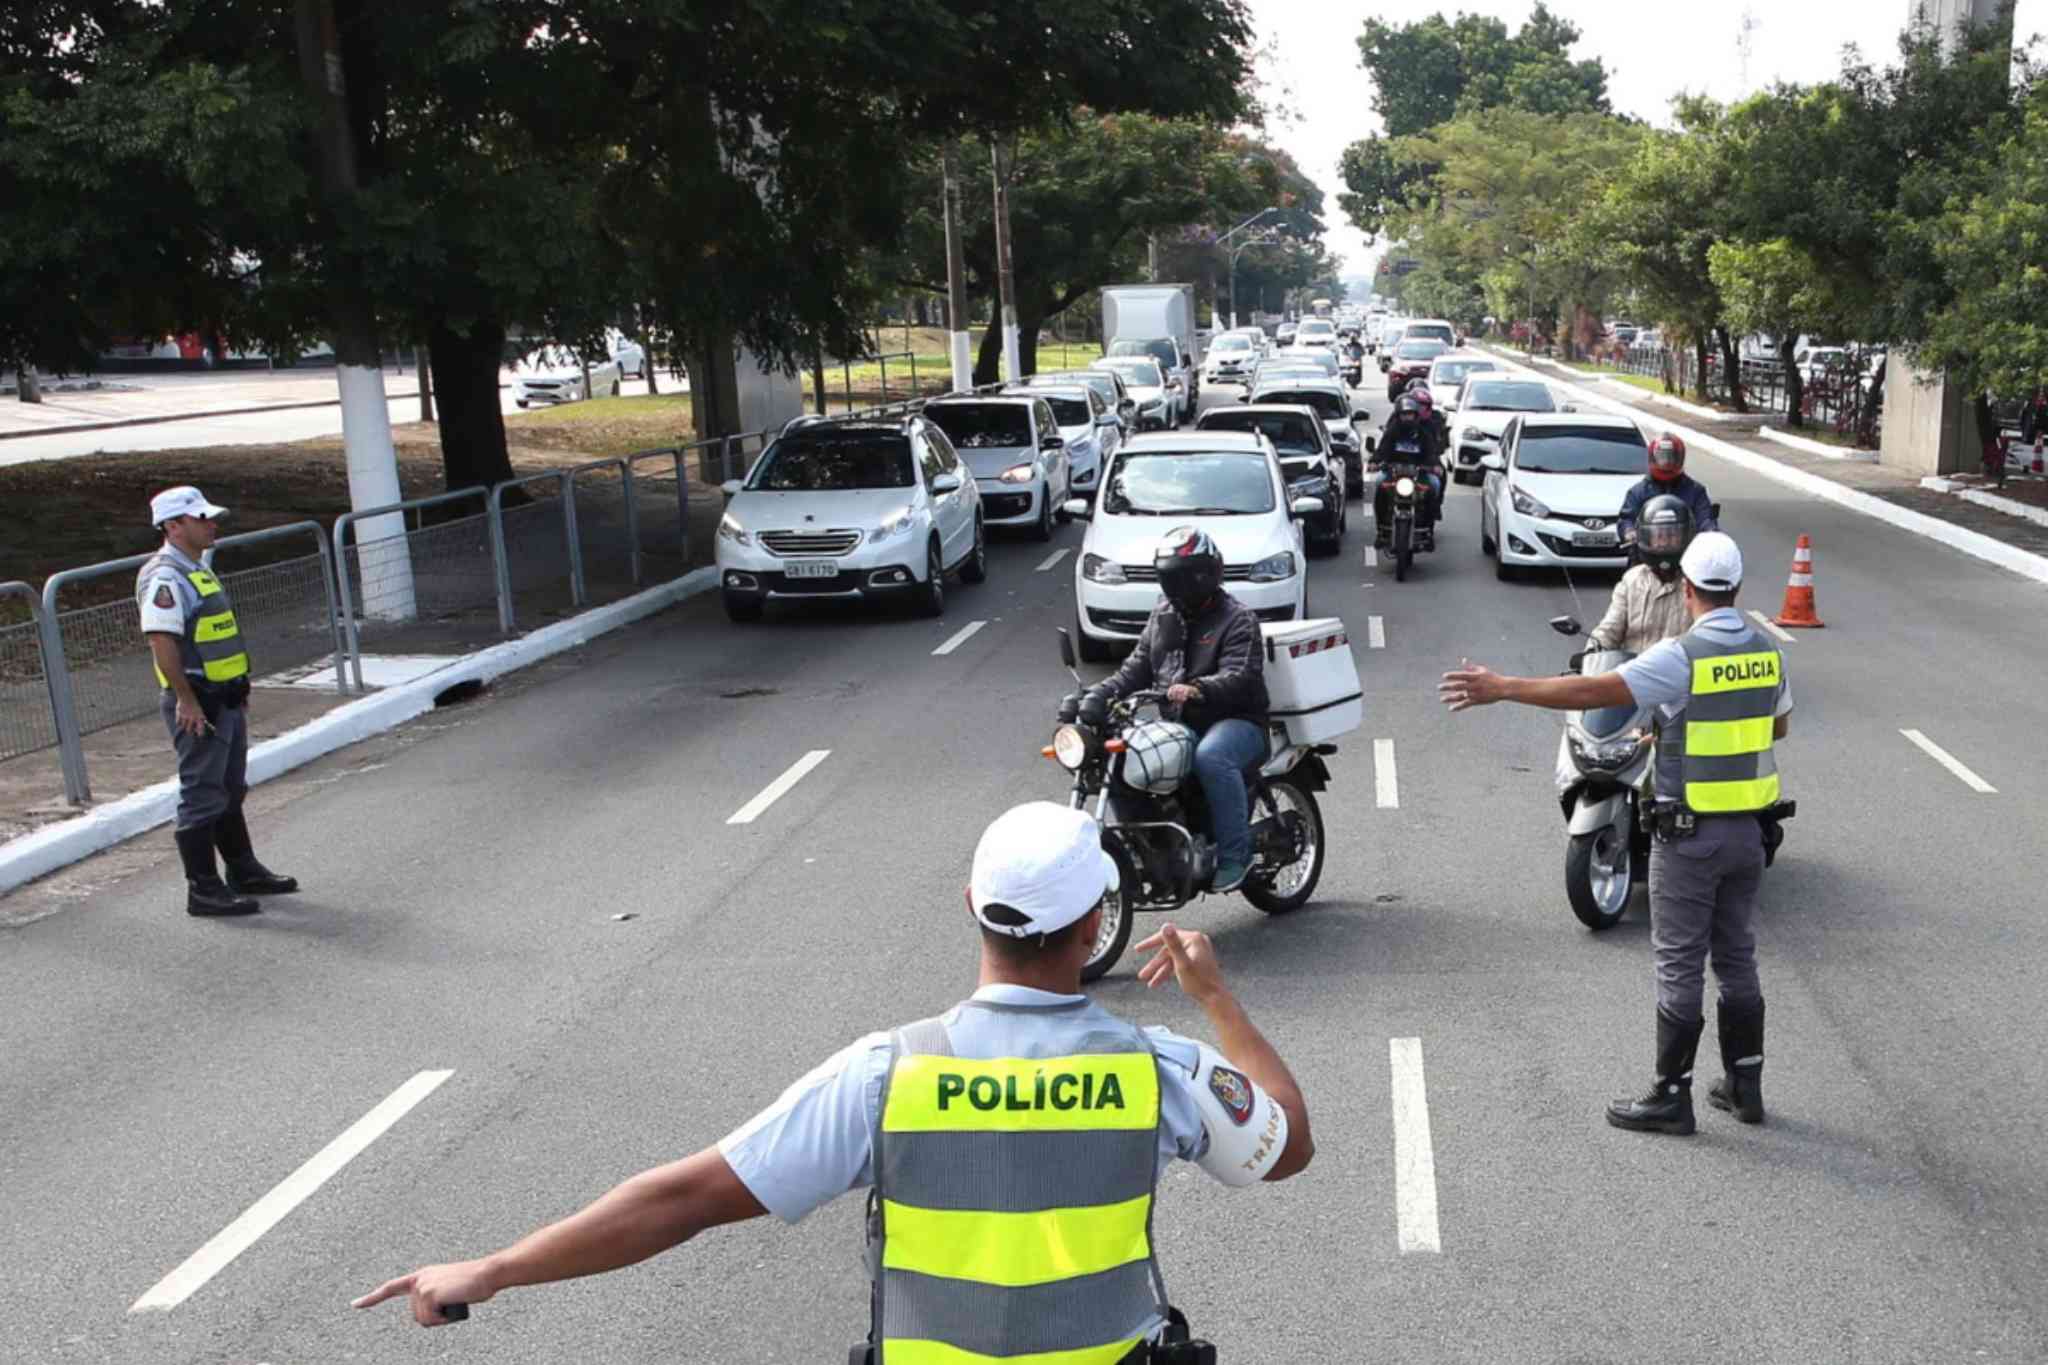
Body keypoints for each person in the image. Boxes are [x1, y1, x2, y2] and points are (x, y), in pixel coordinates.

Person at [353, 802, 1314, 1358]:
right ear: (1100, 915)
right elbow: (1287, 1146)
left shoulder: (883, 1077)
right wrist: (1215, 997)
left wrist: (496, 1267)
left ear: (973, 907)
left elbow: (681, 1199)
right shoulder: (1156, 1070)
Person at [1439, 532, 1791, 1136]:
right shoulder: (1767, 651)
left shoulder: (1683, 656)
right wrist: (1677, 733)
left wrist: (1504, 688)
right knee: (1736, 956)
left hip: (1689, 835)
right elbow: (1774, 726)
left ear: (1687, 590)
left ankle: (1671, 1098)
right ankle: (1745, 1085)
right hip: (1749, 836)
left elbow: (1595, 689)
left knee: (1679, 961)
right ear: (1734, 587)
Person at [136, 487, 297, 917]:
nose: (212, 524)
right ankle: (203, 889)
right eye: (201, 518)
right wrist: (186, 701)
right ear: (173, 526)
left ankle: (243, 870)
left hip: (223, 700)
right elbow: (161, 641)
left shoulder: (196, 568)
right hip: (198, 704)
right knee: (202, 793)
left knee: (228, 789)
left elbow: (215, 636)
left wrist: (237, 688)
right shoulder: (166, 576)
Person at [1084, 528, 1270, 893]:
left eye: (1184, 575)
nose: (1177, 585)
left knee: (1212, 756)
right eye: (1171, 576)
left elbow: (1241, 674)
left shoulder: (1237, 619)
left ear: (1206, 574)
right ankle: (1154, 851)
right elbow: (1134, 669)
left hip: (1238, 721)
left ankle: (1235, 855)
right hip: (1180, 722)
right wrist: (1093, 696)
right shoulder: (1164, 615)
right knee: (1126, 757)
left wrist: (1199, 689)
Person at [1588, 495, 1695, 654]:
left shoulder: (1696, 583)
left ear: (1685, 537)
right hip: (1634, 673)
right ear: (1646, 537)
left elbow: (1708, 634)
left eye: (1672, 537)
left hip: (1679, 673)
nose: (1665, 543)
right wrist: (1593, 650)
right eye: (1659, 537)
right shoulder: (1632, 580)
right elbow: (1610, 629)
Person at [1618, 433, 1716, 543]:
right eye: (1662, 457)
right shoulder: (1638, 491)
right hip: (1646, 551)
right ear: (1652, 456)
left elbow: (1704, 518)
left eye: (1670, 457)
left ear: (1680, 457)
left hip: (1686, 551)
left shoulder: (1696, 491)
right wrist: (1629, 531)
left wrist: (1710, 531)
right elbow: (1626, 518)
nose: (1666, 462)